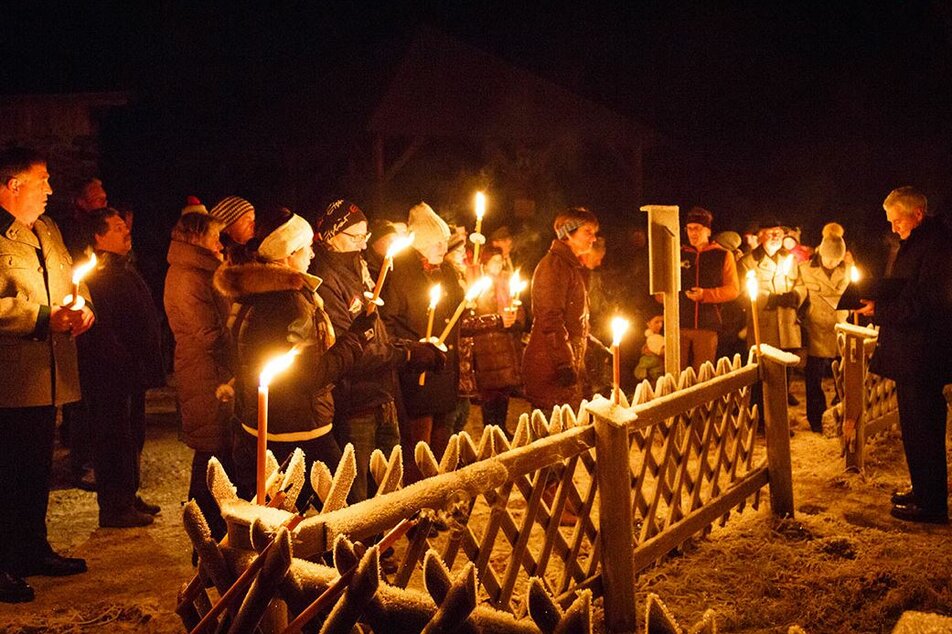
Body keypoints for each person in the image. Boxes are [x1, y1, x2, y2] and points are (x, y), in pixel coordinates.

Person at [215, 209, 374, 506]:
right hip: (300, 429)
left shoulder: (251, 294)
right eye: (306, 248)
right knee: (344, 511)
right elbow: (311, 374)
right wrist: (358, 337)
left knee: (281, 516)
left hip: (261, 425)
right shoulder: (291, 304)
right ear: (288, 255)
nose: (313, 254)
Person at [0, 147, 94, 603]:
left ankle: (32, 549)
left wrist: (84, 311)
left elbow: (74, 280)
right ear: (13, 184)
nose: (51, 190)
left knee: (35, 471)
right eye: (43, 180)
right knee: (7, 474)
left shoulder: (48, 230)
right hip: (9, 381)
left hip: (47, 376)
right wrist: (40, 318)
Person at [311, 199, 445, 502]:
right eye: (354, 237)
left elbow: (376, 334)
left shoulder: (360, 270)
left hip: (382, 395)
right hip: (355, 402)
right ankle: (359, 548)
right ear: (331, 236)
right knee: (359, 493)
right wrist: (407, 354)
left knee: (388, 488)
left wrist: (410, 349)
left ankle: (384, 544)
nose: (361, 245)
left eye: (364, 237)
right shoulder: (327, 280)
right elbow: (350, 349)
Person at [856, 187, 952, 524]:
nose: (894, 228)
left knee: (924, 426)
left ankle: (932, 503)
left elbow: (926, 302)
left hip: (923, 353)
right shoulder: (918, 243)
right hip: (912, 351)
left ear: (917, 214)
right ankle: (923, 489)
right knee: (913, 427)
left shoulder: (936, 247)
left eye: (898, 221)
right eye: (891, 222)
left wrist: (880, 309)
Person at [79, 208, 165, 528]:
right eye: (116, 228)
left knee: (133, 434)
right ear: (99, 237)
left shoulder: (123, 268)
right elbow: (102, 330)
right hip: (112, 374)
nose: (126, 231)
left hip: (132, 371)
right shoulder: (97, 276)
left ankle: (128, 494)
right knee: (114, 436)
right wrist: (122, 360)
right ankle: (115, 506)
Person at [380, 202, 464, 482]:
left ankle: (440, 498)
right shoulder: (400, 274)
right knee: (418, 445)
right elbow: (388, 322)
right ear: (421, 244)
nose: (443, 247)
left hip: (443, 370)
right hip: (417, 373)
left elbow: (455, 318)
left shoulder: (448, 273)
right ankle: (418, 507)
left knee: (443, 443)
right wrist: (414, 349)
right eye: (436, 242)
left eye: (444, 241)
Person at [164, 213, 234, 538]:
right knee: (210, 452)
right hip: (205, 376)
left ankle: (214, 537)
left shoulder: (201, 272)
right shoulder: (188, 277)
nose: (221, 244)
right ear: (196, 239)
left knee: (218, 453)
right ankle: (205, 541)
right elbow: (211, 335)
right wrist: (243, 352)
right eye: (215, 237)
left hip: (211, 373)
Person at [522, 207, 598, 411]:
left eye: (594, 233)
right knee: (551, 437)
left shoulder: (568, 266)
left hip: (564, 361)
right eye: (587, 232)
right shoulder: (554, 266)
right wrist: (564, 364)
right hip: (551, 368)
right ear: (568, 234)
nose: (593, 238)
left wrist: (589, 341)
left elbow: (573, 319)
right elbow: (550, 318)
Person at [798, 222, 850, 433]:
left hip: (840, 328)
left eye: (836, 260)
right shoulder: (805, 269)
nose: (831, 263)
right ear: (821, 253)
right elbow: (800, 291)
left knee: (844, 375)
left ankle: (842, 413)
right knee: (814, 378)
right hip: (816, 329)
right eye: (828, 259)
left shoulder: (847, 270)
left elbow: (854, 293)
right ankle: (816, 418)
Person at [677, 207, 740, 371]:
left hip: (707, 325)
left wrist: (706, 295)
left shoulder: (723, 255)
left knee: (702, 374)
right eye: (689, 229)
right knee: (676, 374)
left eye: (696, 228)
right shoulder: (678, 254)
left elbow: (733, 289)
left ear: (708, 231)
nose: (692, 233)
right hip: (678, 324)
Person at [208, 195, 256, 260]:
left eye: (253, 220)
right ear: (227, 227)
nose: (253, 224)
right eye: (247, 220)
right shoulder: (217, 260)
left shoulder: (254, 253)